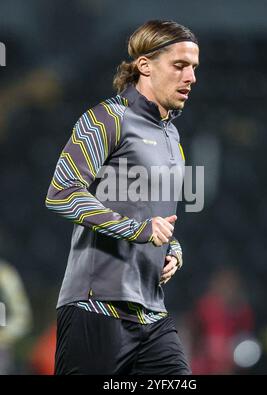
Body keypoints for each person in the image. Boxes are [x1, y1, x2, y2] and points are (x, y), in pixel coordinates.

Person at [45, 19, 199, 375]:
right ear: (144, 65)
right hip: (96, 308)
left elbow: (153, 217)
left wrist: (171, 250)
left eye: (193, 68)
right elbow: (61, 192)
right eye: (179, 66)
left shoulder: (172, 137)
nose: (190, 78)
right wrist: (139, 231)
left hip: (152, 313)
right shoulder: (105, 119)